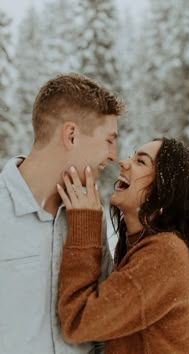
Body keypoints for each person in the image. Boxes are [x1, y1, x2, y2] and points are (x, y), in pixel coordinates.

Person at [57, 137, 189, 354]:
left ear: (165, 190)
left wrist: (84, 226)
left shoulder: (165, 254)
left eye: (140, 162)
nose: (123, 162)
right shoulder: (148, 246)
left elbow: (79, 321)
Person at [0, 73, 124, 354]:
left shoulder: (89, 213)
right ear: (71, 135)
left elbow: (102, 327)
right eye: (109, 139)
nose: (114, 154)